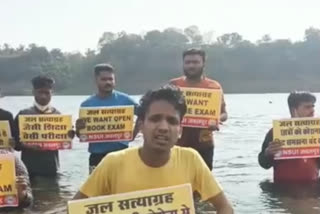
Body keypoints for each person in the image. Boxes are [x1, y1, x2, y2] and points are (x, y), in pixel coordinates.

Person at [73, 85, 233, 214]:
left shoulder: (191, 159)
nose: (163, 127)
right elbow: (74, 209)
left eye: (171, 121)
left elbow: (225, 208)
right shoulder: (113, 163)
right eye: (155, 119)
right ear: (141, 125)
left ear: (180, 130)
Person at [169, 48, 228, 170]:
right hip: (177, 143)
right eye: (188, 62)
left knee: (203, 185)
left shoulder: (214, 86)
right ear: (183, 64)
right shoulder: (174, 85)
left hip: (204, 144)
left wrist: (216, 120)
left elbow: (224, 114)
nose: (191, 66)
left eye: (195, 62)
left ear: (203, 64)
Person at [75, 63, 139, 174]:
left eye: (111, 79)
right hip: (97, 156)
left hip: (121, 153)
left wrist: (134, 133)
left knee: (122, 187)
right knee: (96, 190)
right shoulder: (86, 105)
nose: (108, 82)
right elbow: (82, 135)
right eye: (104, 79)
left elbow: (143, 114)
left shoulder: (126, 100)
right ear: (96, 80)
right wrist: (78, 129)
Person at [13, 75, 71, 177]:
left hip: (51, 168)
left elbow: (65, 142)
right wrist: (27, 145)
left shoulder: (58, 116)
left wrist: (70, 134)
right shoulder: (23, 115)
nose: (43, 96)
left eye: (47, 93)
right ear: (33, 92)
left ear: (51, 93)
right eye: (40, 92)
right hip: (28, 169)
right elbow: (14, 144)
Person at [258, 91, 320, 183]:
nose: (312, 110)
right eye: (307, 107)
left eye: (313, 106)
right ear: (293, 109)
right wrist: (268, 153)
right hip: (284, 188)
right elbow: (264, 164)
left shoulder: (317, 132)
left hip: (312, 187)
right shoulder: (276, 132)